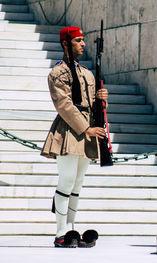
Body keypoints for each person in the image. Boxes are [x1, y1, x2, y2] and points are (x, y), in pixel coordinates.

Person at [41, 26, 108, 247]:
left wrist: (101, 98)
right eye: (78, 40)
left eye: (83, 40)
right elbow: (64, 104)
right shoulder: (57, 73)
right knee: (67, 180)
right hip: (70, 129)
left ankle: (72, 230)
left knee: (77, 183)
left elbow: (91, 105)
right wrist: (85, 128)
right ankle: (61, 231)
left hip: (88, 129)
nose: (83, 44)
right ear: (65, 44)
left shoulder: (87, 73)